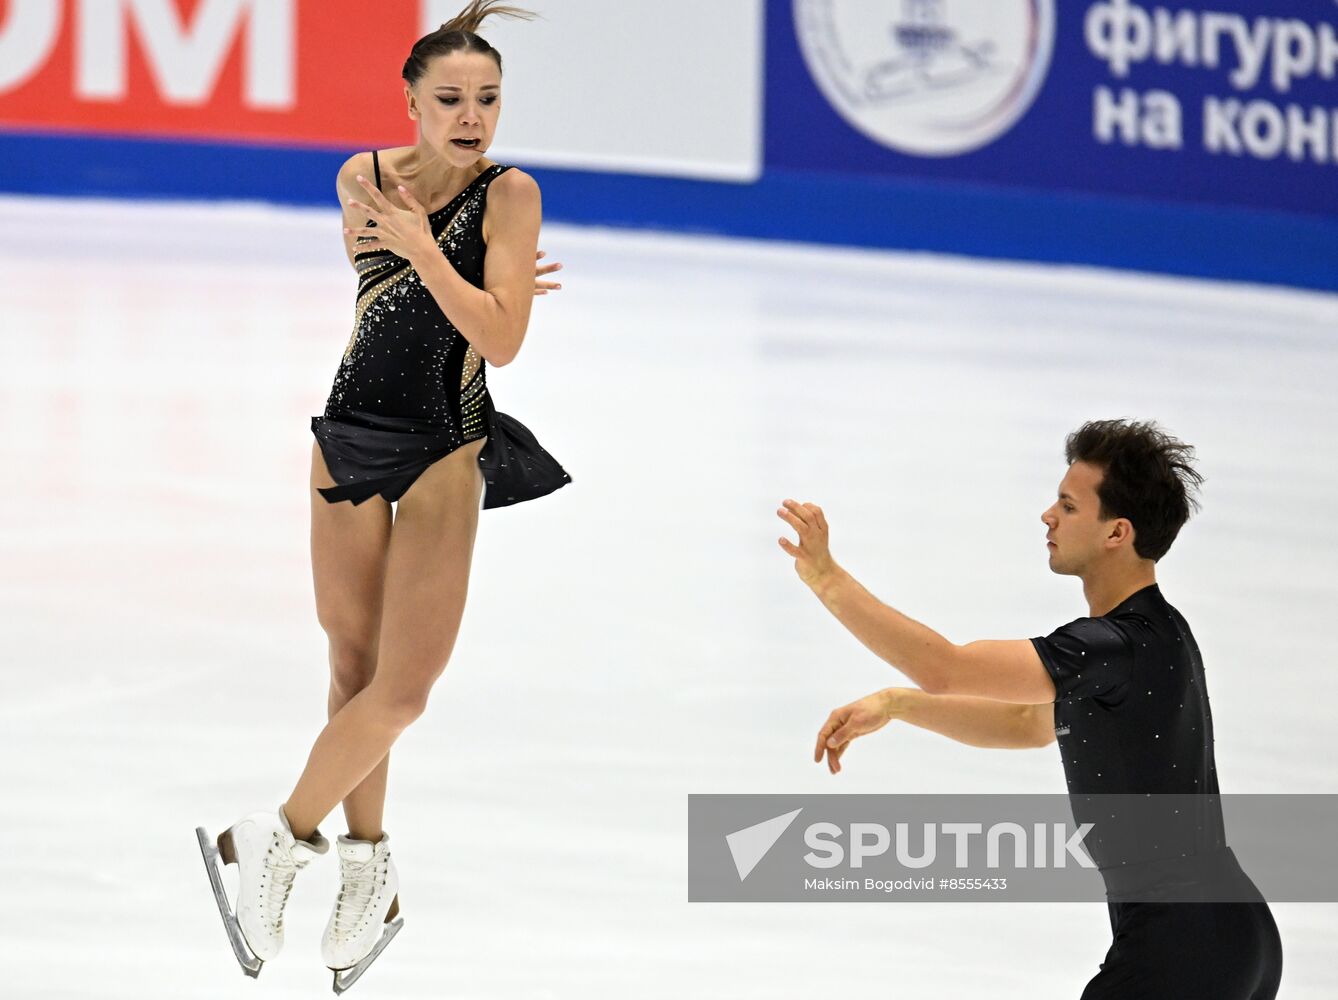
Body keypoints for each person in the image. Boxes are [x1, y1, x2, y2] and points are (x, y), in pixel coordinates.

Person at [195, 3, 568, 990]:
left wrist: (465, 267)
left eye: (488, 98)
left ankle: (272, 838)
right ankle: (367, 872)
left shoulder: (512, 196)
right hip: (351, 430)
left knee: (403, 690)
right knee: (353, 666)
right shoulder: (359, 175)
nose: (471, 115)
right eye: (449, 98)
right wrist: (473, 278)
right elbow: (392, 299)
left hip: (447, 445)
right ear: (408, 100)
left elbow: (499, 339)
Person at [778, 419, 1282, 999]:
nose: (1048, 515)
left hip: (1182, 945)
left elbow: (946, 667)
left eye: (1068, 506)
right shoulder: (1156, 636)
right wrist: (897, 706)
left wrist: (826, 578)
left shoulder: (1113, 646)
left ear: (1117, 532)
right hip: (1233, 936)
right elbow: (1028, 723)